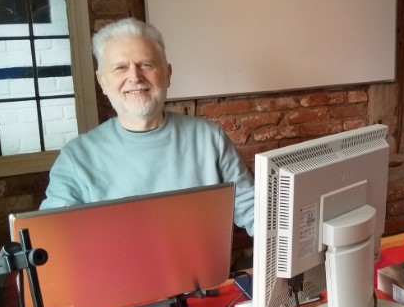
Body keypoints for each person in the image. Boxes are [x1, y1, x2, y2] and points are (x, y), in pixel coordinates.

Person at [40, 18, 254, 235]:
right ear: (102, 82)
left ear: (168, 74)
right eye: (120, 67)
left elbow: (251, 208)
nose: (134, 76)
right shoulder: (76, 158)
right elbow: (50, 237)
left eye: (146, 64)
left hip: (203, 270)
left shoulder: (209, 138)